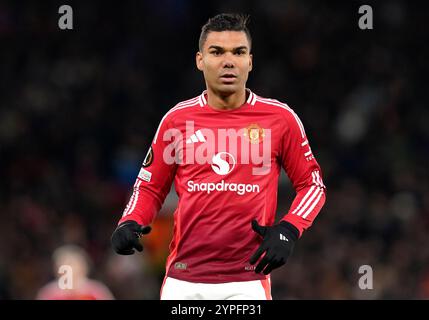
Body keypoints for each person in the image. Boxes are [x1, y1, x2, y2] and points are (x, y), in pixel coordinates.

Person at [111, 13, 326, 300]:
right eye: (217, 52)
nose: (228, 61)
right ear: (200, 60)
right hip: (183, 279)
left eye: (238, 52)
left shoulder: (280, 119)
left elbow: (312, 185)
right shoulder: (177, 120)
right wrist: (129, 221)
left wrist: (289, 229)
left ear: (250, 61)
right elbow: (150, 186)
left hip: (246, 281)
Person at [36, 245, 114, 300]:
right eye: (60, 264)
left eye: (70, 264)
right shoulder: (49, 293)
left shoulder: (96, 291)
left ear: (83, 267)